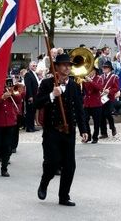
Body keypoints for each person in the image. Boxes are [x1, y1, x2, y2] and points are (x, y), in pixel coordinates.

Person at [35, 53, 89, 206]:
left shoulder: (73, 85)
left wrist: (83, 129)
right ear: (56, 67)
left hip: (69, 132)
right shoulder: (46, 83)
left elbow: (79, 108)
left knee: (69, 166)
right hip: (52, 131)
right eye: (64, 65)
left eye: (69, 65)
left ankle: (64, 196)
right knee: (52, 163)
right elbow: (37, 104)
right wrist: (52, 95)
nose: (67, 67)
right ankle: (44, 183)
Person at [82, 66, 103, 143]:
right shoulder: (85, 79)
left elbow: (99, 88)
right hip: (87, 103)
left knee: (96, 122)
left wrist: (90, 81)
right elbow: (84, 91)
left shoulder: (99, 78)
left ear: (94, 71)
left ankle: (95, 137)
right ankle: (88, 136)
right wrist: (82, 82)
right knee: (85, 120)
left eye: (90, 70)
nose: (89, 72)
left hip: (96, 104)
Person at [100, 61, 119, 137]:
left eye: (106, 67)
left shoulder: (114, 77)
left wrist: (109, 91)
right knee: (101, 115)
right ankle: (104, 133)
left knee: (108, 114)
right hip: (101, 98)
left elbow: (116, 88)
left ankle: (112, 127)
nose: (104, 69)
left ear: (110, 69)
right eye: (103, 67)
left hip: (109, 98)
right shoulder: (101, 77)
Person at [24, 61, 40, 132]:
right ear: (30, 66)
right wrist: (30, 96)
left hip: (35, 95)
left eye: (36, 66)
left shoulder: (34, 74)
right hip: (31, 96)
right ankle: (29, 127)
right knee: (29, 112)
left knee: (33, 111)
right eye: (33, 66)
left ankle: (32, 126)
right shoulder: (28, 74)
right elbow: (28, 86)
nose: (35, 67)